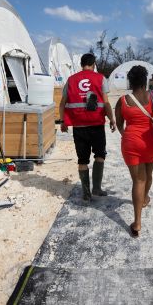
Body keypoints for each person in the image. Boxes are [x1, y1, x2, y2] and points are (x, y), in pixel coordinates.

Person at [115, 65, 153, 238]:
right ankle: (145, 199)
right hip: (152, 143)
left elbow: (119, 124)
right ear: (145, 81)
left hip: (131, 143)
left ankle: (137, 223)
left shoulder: (123, 100)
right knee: (148, 174)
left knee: (137, 180)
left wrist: (127, 136)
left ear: (130, 81)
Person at [59, 53, 116, 201]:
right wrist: (112, 119)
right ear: (94, 64)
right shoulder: (101, 78)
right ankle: (96, 189)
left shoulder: (71, 80)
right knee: (100, 156)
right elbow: (106, 102)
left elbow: (62, 103)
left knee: (82, 160)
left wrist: (63, 121)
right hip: (97, 125)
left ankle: (86, 194)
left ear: (81, 64)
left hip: (79, 127)